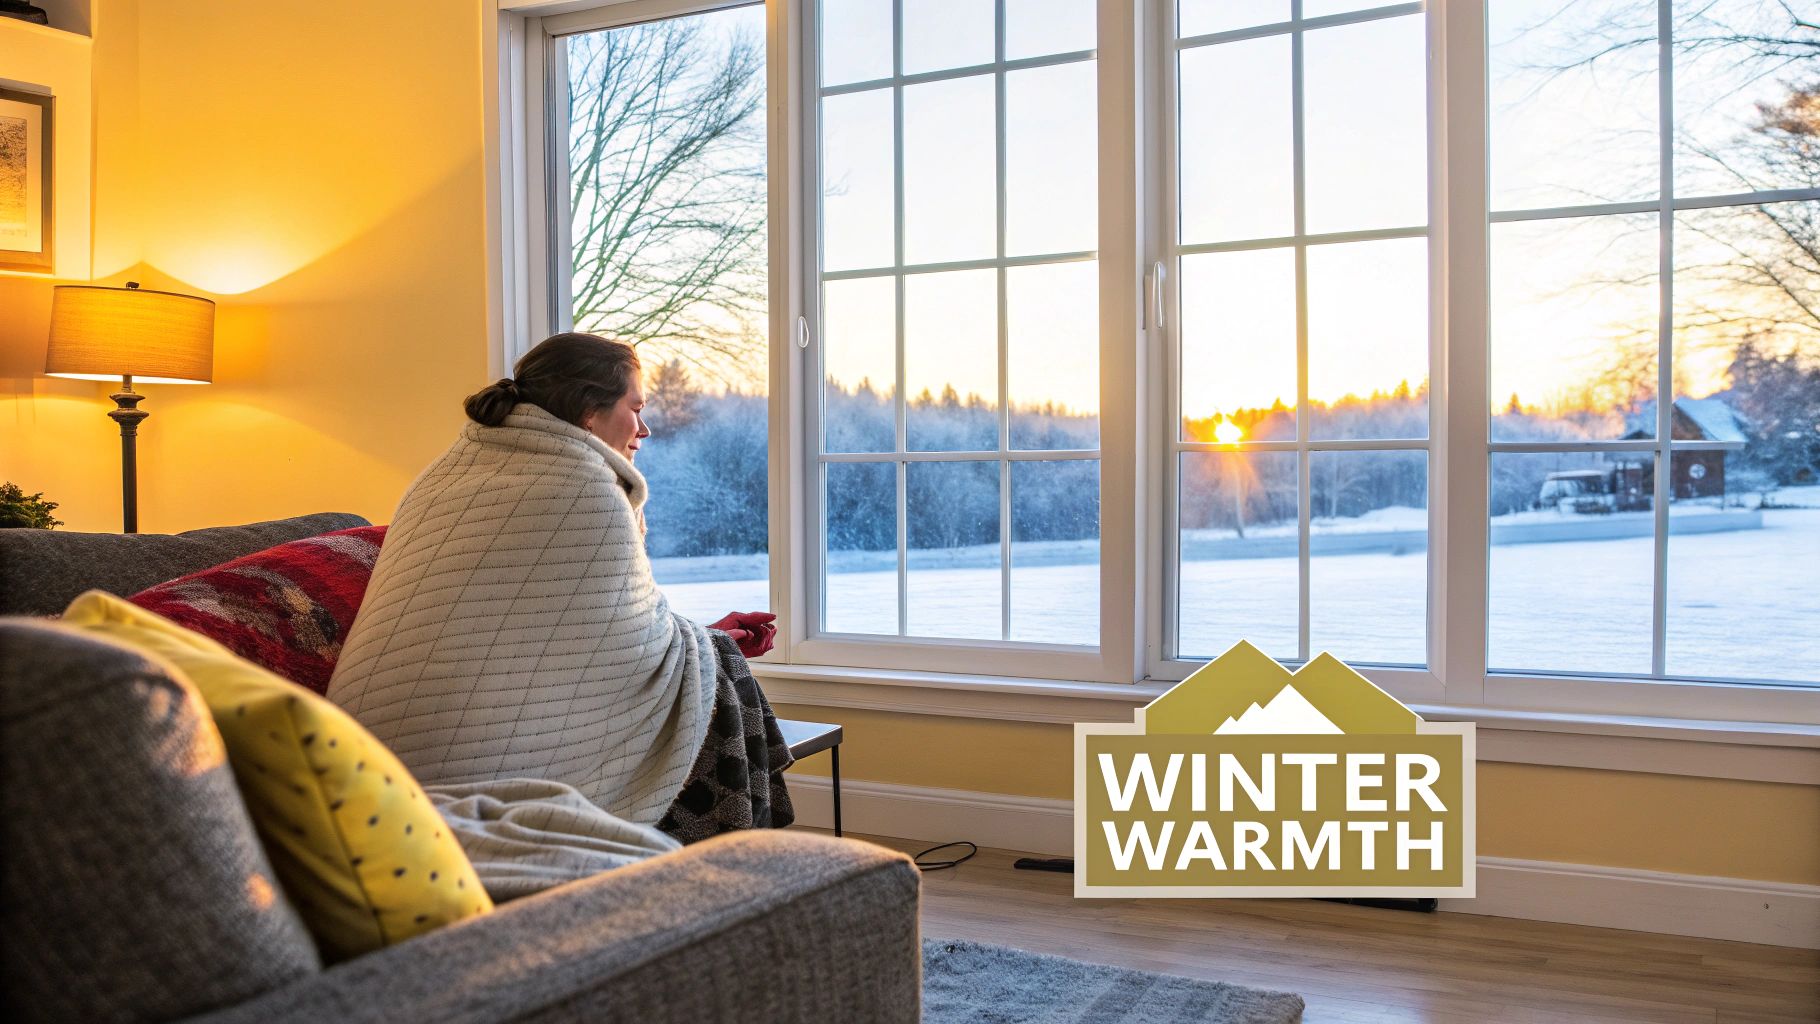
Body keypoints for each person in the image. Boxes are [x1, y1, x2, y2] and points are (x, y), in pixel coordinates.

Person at [328, 332, 790, 848]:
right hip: (463, 765)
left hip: (358, 759)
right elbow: (617, 652)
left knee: (710, 655)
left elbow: (559, 639)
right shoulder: (584, 489)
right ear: (589, 413)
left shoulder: (442, 476)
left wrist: (698, 637)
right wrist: (707, 644)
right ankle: (733, 870)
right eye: (634, 409)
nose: (645, 428)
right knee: (717, 675)